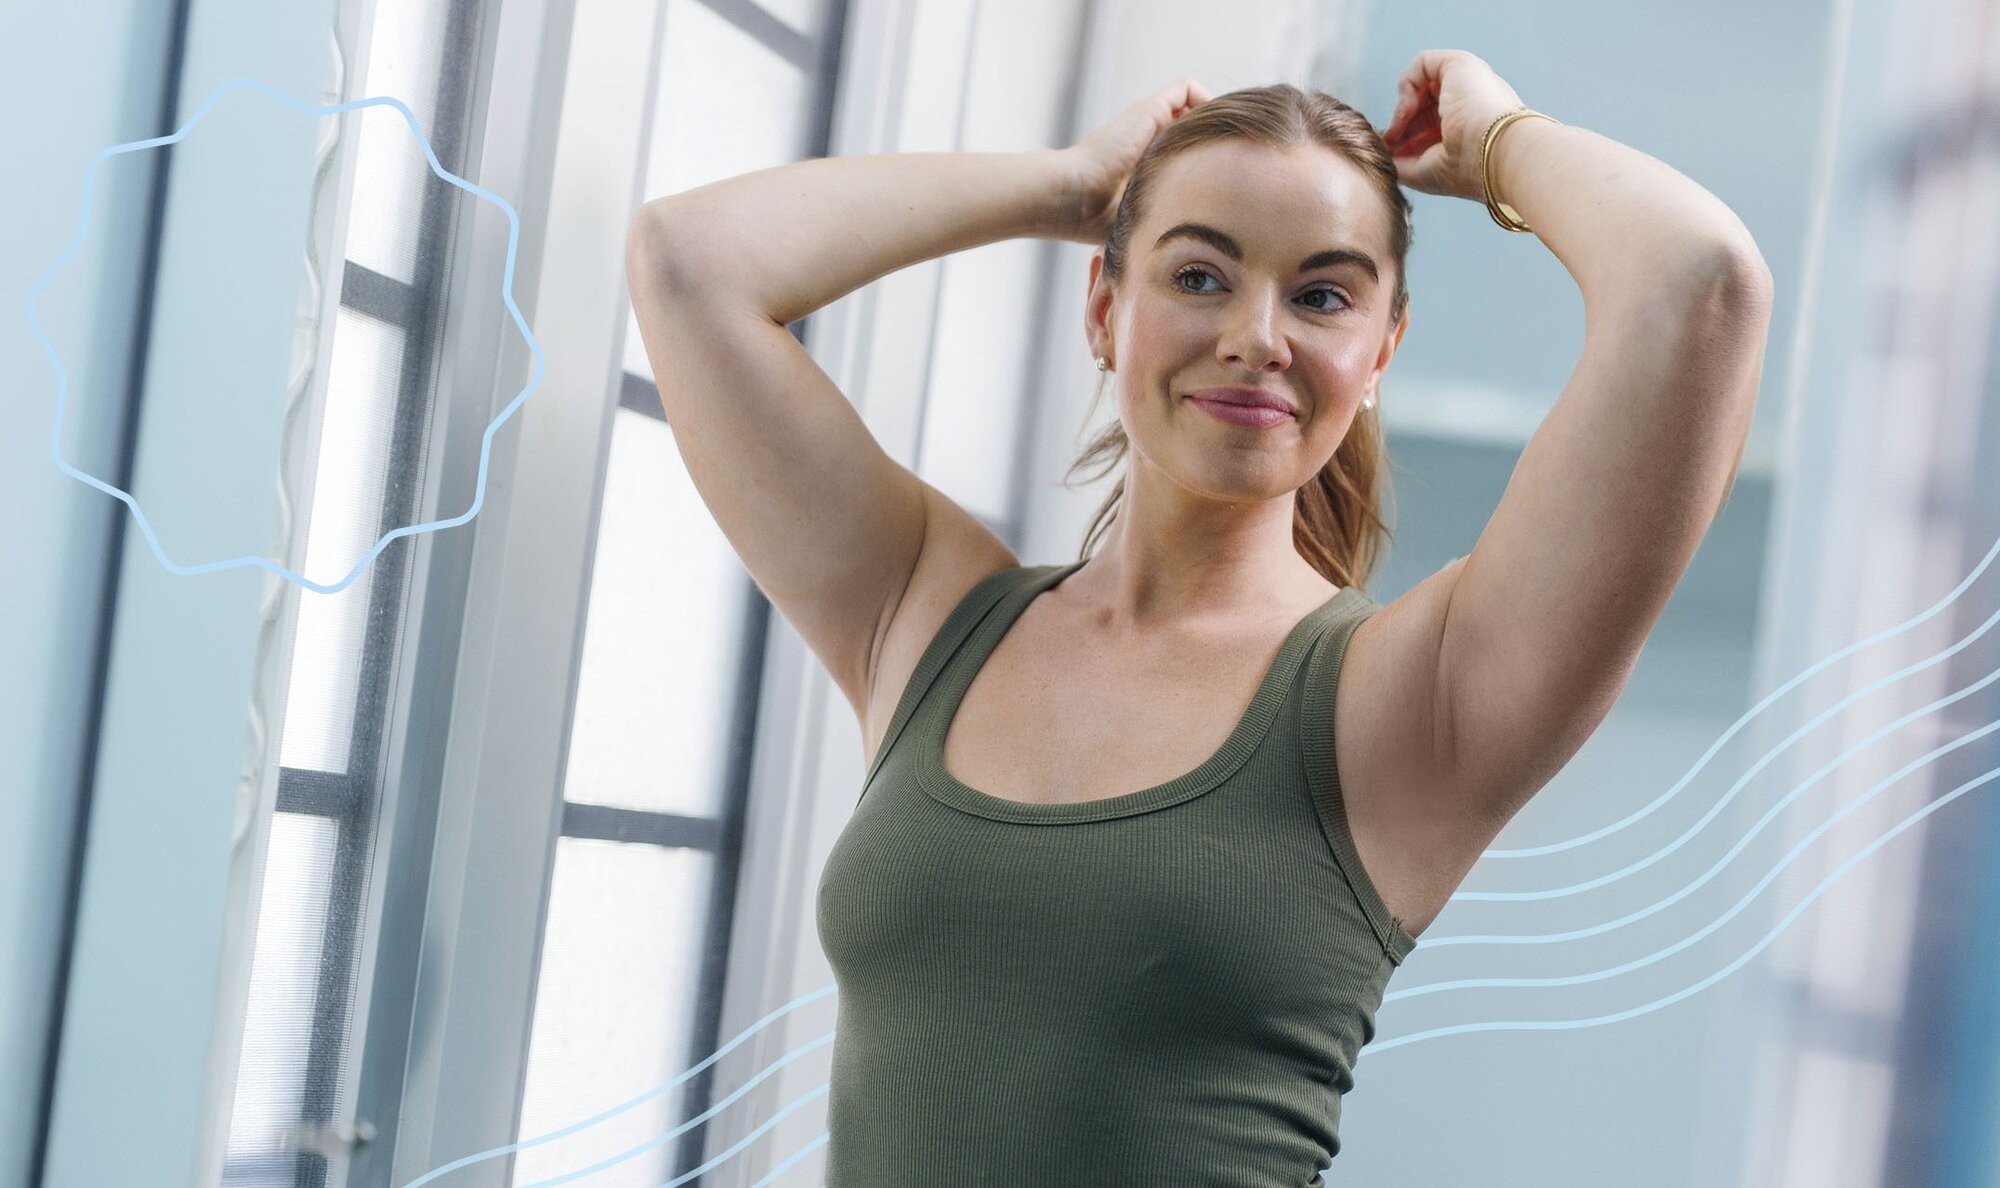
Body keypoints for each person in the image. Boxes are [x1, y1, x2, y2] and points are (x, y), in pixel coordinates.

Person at [625, 47, 1772, 1186]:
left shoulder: (1411, 702)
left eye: (1321, 295)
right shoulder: (927, 615)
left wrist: (1496, 146)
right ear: (1103, 308)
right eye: (1196, 275)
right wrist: (1069, 185)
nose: (1255, 337)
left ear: (1380, 353)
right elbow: (688, 262)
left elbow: (1697, 281)